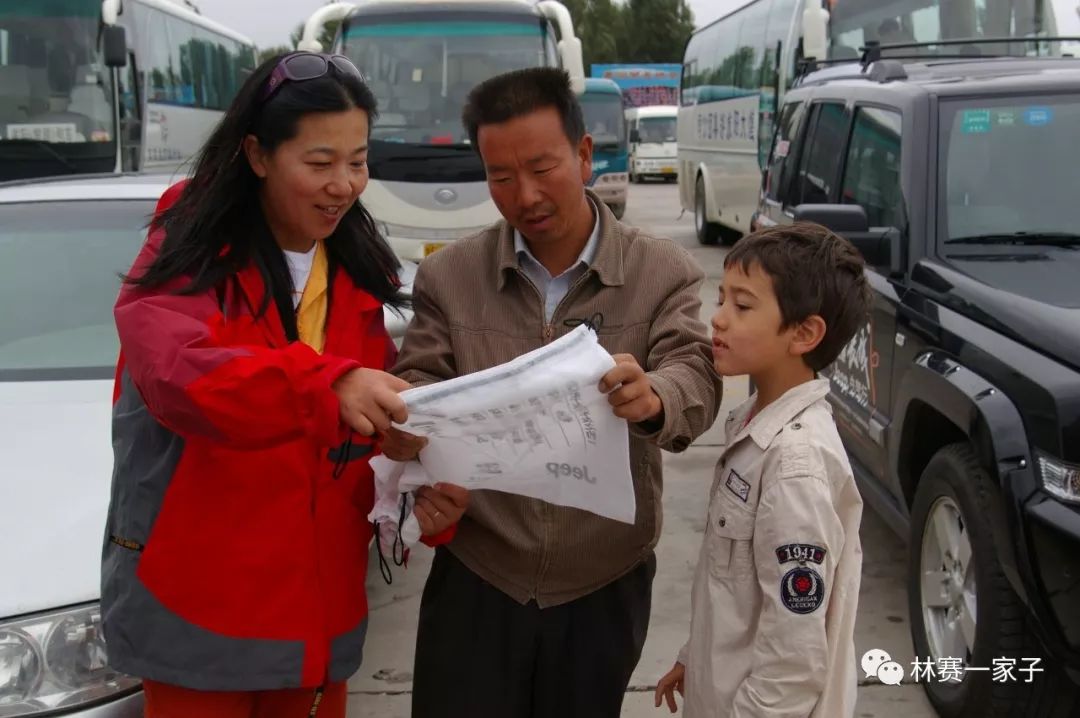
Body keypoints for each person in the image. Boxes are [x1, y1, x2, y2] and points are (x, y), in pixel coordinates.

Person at [102, 51, 467, 718]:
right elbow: (178, 374)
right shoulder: (188, 247)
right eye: (320, 163)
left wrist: (414, 499)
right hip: (202, 609)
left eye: (357, 161)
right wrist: (327, 387)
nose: (344, 184)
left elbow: (358, 445)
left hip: (317, 618)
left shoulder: (357, 271)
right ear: (258, 154)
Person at [385, 67, 722, 718]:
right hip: (480, 576)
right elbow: (418, 377)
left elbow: (695, 368)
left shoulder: (660, 272)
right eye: (501, 177)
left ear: (584, 154)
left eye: (543, 167)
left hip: (602, 584)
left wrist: (655, 394)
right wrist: (412, 432)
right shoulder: (450, 277)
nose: (526, 194)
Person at [654, 223, 871, 717]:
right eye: (721, 299)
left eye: (743, 306)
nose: (719, 320)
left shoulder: (795, 467)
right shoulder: (753, 426)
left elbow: (794, 657)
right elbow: (734, 590)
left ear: (804, 333)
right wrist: (697, 660)